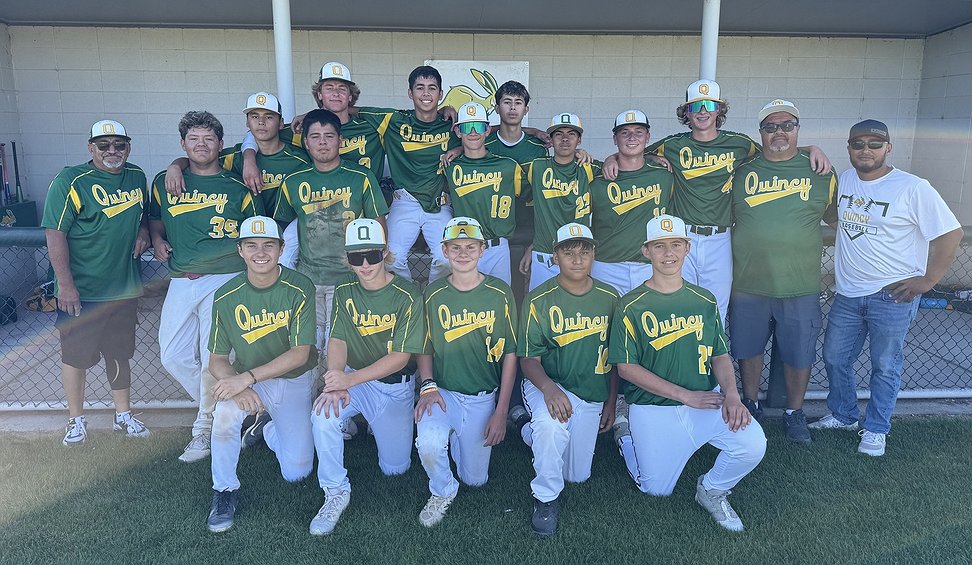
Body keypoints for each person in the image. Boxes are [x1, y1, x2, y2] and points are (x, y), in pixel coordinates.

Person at [602, 80, 831, 322]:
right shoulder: (673, 145)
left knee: (716, 310)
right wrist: (611, 158)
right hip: (682, 238)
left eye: (709, 105)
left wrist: (811, 148)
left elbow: (775, 149)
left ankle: (713, 349)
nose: (703, 111)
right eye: (696, 106)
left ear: (719, 109)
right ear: (687, 112)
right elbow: (634, 150)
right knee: (678, 307)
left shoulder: (740, 144)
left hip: (720, 240)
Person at [810, 119, 963, 456]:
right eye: (858, 144)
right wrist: (811, 148)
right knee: (834, 357)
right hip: (848, 293)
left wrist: (928, 280)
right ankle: (844, 414)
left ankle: (876, 428)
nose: (866, 150)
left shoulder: (912, 187)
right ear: (849, 148)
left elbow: (951, 233)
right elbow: (838, 220)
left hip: (893, 295)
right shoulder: (844, 180)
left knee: (885, 365)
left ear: (888, 148)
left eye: (874, 144)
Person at [609, 214, 766, 532]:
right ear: (646, 251)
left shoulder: (704, 299)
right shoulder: (630, 305)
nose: (668, 253)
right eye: (659, 246)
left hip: (706, 402)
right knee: (655, 489)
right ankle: (625, 434)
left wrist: (732, 395)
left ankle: (712, 489)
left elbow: (719, 354)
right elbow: (626, 367)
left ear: (687, 248)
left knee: (753, 444)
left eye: (676, 244)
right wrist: (685, 396)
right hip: (654, 407)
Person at [150, 111, 263, 463]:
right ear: (183, 144)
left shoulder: (236, 186)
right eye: (194, 139)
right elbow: (155, 218)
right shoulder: (166, 181)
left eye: (209, 139)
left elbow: (257, 232)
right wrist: (156, 238)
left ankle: (204, 428)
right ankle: (234, 403)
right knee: (172, 355)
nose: (201, 145)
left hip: (225, 276)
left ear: (220, 144)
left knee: (212, 357)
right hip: (182, 278)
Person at [728, 99, 837, 443]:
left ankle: (794, 412)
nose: (779, 132)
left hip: (800, 283)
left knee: (799, 352)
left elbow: (837, 221)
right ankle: (750, 404)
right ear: (760, 132)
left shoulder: (821, 171)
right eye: (770, 126)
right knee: (747, 349)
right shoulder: (740, 171)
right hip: (748, 282)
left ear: (797, 129)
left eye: (787, 126)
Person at [308, 218, 424, 535]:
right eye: (356, 257)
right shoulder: (345, 288)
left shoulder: (408, 295)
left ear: (385, 253)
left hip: (394, 388)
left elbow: (401, 358)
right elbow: (338, 339)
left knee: (395, 468)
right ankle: (335, 491)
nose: (365, 265)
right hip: (355, 381)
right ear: (347, 258)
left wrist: (348, 381)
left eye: (372, 255)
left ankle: (367, 425)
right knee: (323, 415)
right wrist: (335, 378)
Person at [205, 216, 318, 533]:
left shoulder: (300, 287)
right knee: (224, 414)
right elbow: (216, 360)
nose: (260, 253)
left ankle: (267, 428)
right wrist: (240, 386)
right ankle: (224, 491)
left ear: (281, 249)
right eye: (251, 245)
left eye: (269, 245)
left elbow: (300, 354)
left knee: (297, 472)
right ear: (240, 250)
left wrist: (246, 379)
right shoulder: (226, 295)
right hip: (252, 383)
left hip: (294, 378)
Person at [42, 119, 152, 445]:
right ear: (91, 148)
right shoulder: (70, 180)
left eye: (119, 144)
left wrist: (143, 231)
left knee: (119, 353)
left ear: (128, 147)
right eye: (103, 145)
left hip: (122, 287)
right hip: (83, 290)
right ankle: (76, 420)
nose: (112, 150)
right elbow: (55, 234)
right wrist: (65, 285)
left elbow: (142, 215)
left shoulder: (137, 176)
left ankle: (123, 415)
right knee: (75, 356)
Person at [414, 217, 518, 528]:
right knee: (428, 444)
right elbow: (424, 346)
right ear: (444, 250)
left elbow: (510, 353)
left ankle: (460, 442)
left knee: (476, 480)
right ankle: (442, 490)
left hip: (482, 397)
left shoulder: (500, 292)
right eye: (455, 247)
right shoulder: (433, 293)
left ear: (482, 250)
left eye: (470, 247)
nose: (463, 253)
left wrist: (501, 411)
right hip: (444, 392)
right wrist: (427, 386)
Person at [517, 222, 619, 536]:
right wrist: (548, 389)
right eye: (568, 252)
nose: (577, 259)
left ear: (593, 255)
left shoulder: (610, 297)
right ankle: (545, 499)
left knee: (577, 475)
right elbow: (528, 360)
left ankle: (527, 432)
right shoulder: (539, 298)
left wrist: (611, 403)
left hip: (591, 391)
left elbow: (617, 358)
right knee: (551, 426)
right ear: (555, 257)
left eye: (584, 252)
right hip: (549, 384)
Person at [272, 109, 389, 365]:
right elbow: (282, 228)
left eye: (329, 136)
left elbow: (377, 224)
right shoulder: (294, 181)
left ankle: (339, 390)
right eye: (315, 136)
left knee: (344, 351)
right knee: (309, 350)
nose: (322, 142)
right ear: (306, 142)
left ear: (340, 140)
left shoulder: (360, 177)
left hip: (350, 279)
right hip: (309, 280)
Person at [163, 93, 311, 267]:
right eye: (254, 116)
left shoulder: (299, 159)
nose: (261, 122)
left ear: (281, 123)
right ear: (247, 123)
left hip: (290, 231)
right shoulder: (233, 157)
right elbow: (201, 160)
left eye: (269, 117)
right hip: (255, 235)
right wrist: (175, 166)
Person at [357, 66, 460, 282]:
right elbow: (349, 110)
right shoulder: (394, 120)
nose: (426, 93)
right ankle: (409, 297)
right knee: (391, 259)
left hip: (439, 202)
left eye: (432, 88)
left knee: (447, 260)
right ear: (410, 93)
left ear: (441, 94)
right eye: (420, 88)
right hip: (405, 200)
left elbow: (485, 133)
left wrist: (459, 148)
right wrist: (307, 116)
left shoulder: (452, 124)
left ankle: (433, 295)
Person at [590, 110, 674, 296]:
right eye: (624, 132)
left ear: (647, 137)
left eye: (639, 132)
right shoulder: (597, 179)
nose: (632, 137)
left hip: (649, 266)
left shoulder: (664, 176)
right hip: (606, 266)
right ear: (615, 139)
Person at [442, 102, 525, 285]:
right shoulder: (450, 166)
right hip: (464, 249)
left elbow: (531, 200)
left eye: (478, 126)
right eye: (467, 127)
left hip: (498, 247)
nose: (473, 132)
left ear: (487, 130)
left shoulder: (508, 166)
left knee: (500, 299)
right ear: (458, 132)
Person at [521, 113, 600, 291]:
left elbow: (625, 163)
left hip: (578, 258)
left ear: (579, 140)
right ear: (550, 139)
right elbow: (508, 139)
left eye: (571, 134)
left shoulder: (589, 168)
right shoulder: (536, 166)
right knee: (540, 306)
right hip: (544, 256)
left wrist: (613, 158)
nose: (565, 139)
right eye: (558, 134)